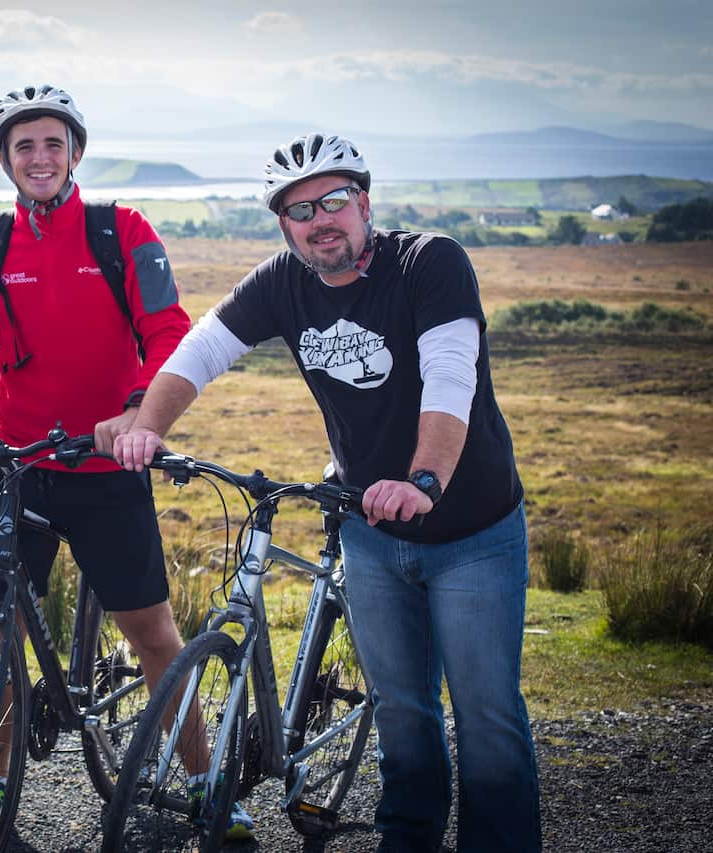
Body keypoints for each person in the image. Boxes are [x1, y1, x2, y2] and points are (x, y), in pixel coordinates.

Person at [115, 133, 541, 851]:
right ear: (285, 225)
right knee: (401, 710)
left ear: (364, 203)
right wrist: (146, 427)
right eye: (300, 210)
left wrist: (423, 479)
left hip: (472, 531)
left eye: (334, 200)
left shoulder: (429, 262)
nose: (321, 220)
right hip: (369, 528)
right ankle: (407, 839)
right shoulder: (283, 281)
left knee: (487, 716)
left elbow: (451, 375)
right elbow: (203, 349)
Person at [0, 84, 254, 841]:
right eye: (25, 146)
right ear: (5, 161)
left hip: (108, 467)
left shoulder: (121, 230)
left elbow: (167, 329)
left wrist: (139, 414)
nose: (40, 157)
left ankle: (206, 781)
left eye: (53, 143)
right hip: (20, 467)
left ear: (75, 153)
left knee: (150, 631)